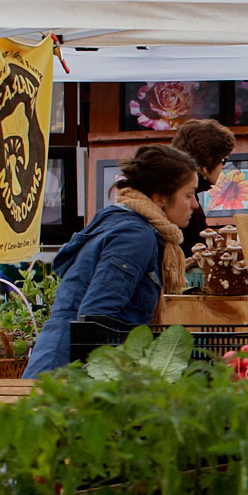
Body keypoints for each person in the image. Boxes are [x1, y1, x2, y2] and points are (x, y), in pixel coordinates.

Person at [26, 144, 199, 374]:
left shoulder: (123, 221)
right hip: (64, 369)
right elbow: (98, 317)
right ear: (159, 198)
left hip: (62, 359)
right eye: (188, 195)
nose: (195, 204)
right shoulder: (135, 235)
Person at [171, 118, 236, 255]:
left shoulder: (174, 188)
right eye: (223, 160)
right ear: (205, 167)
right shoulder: (186, 206)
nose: (224, 167)